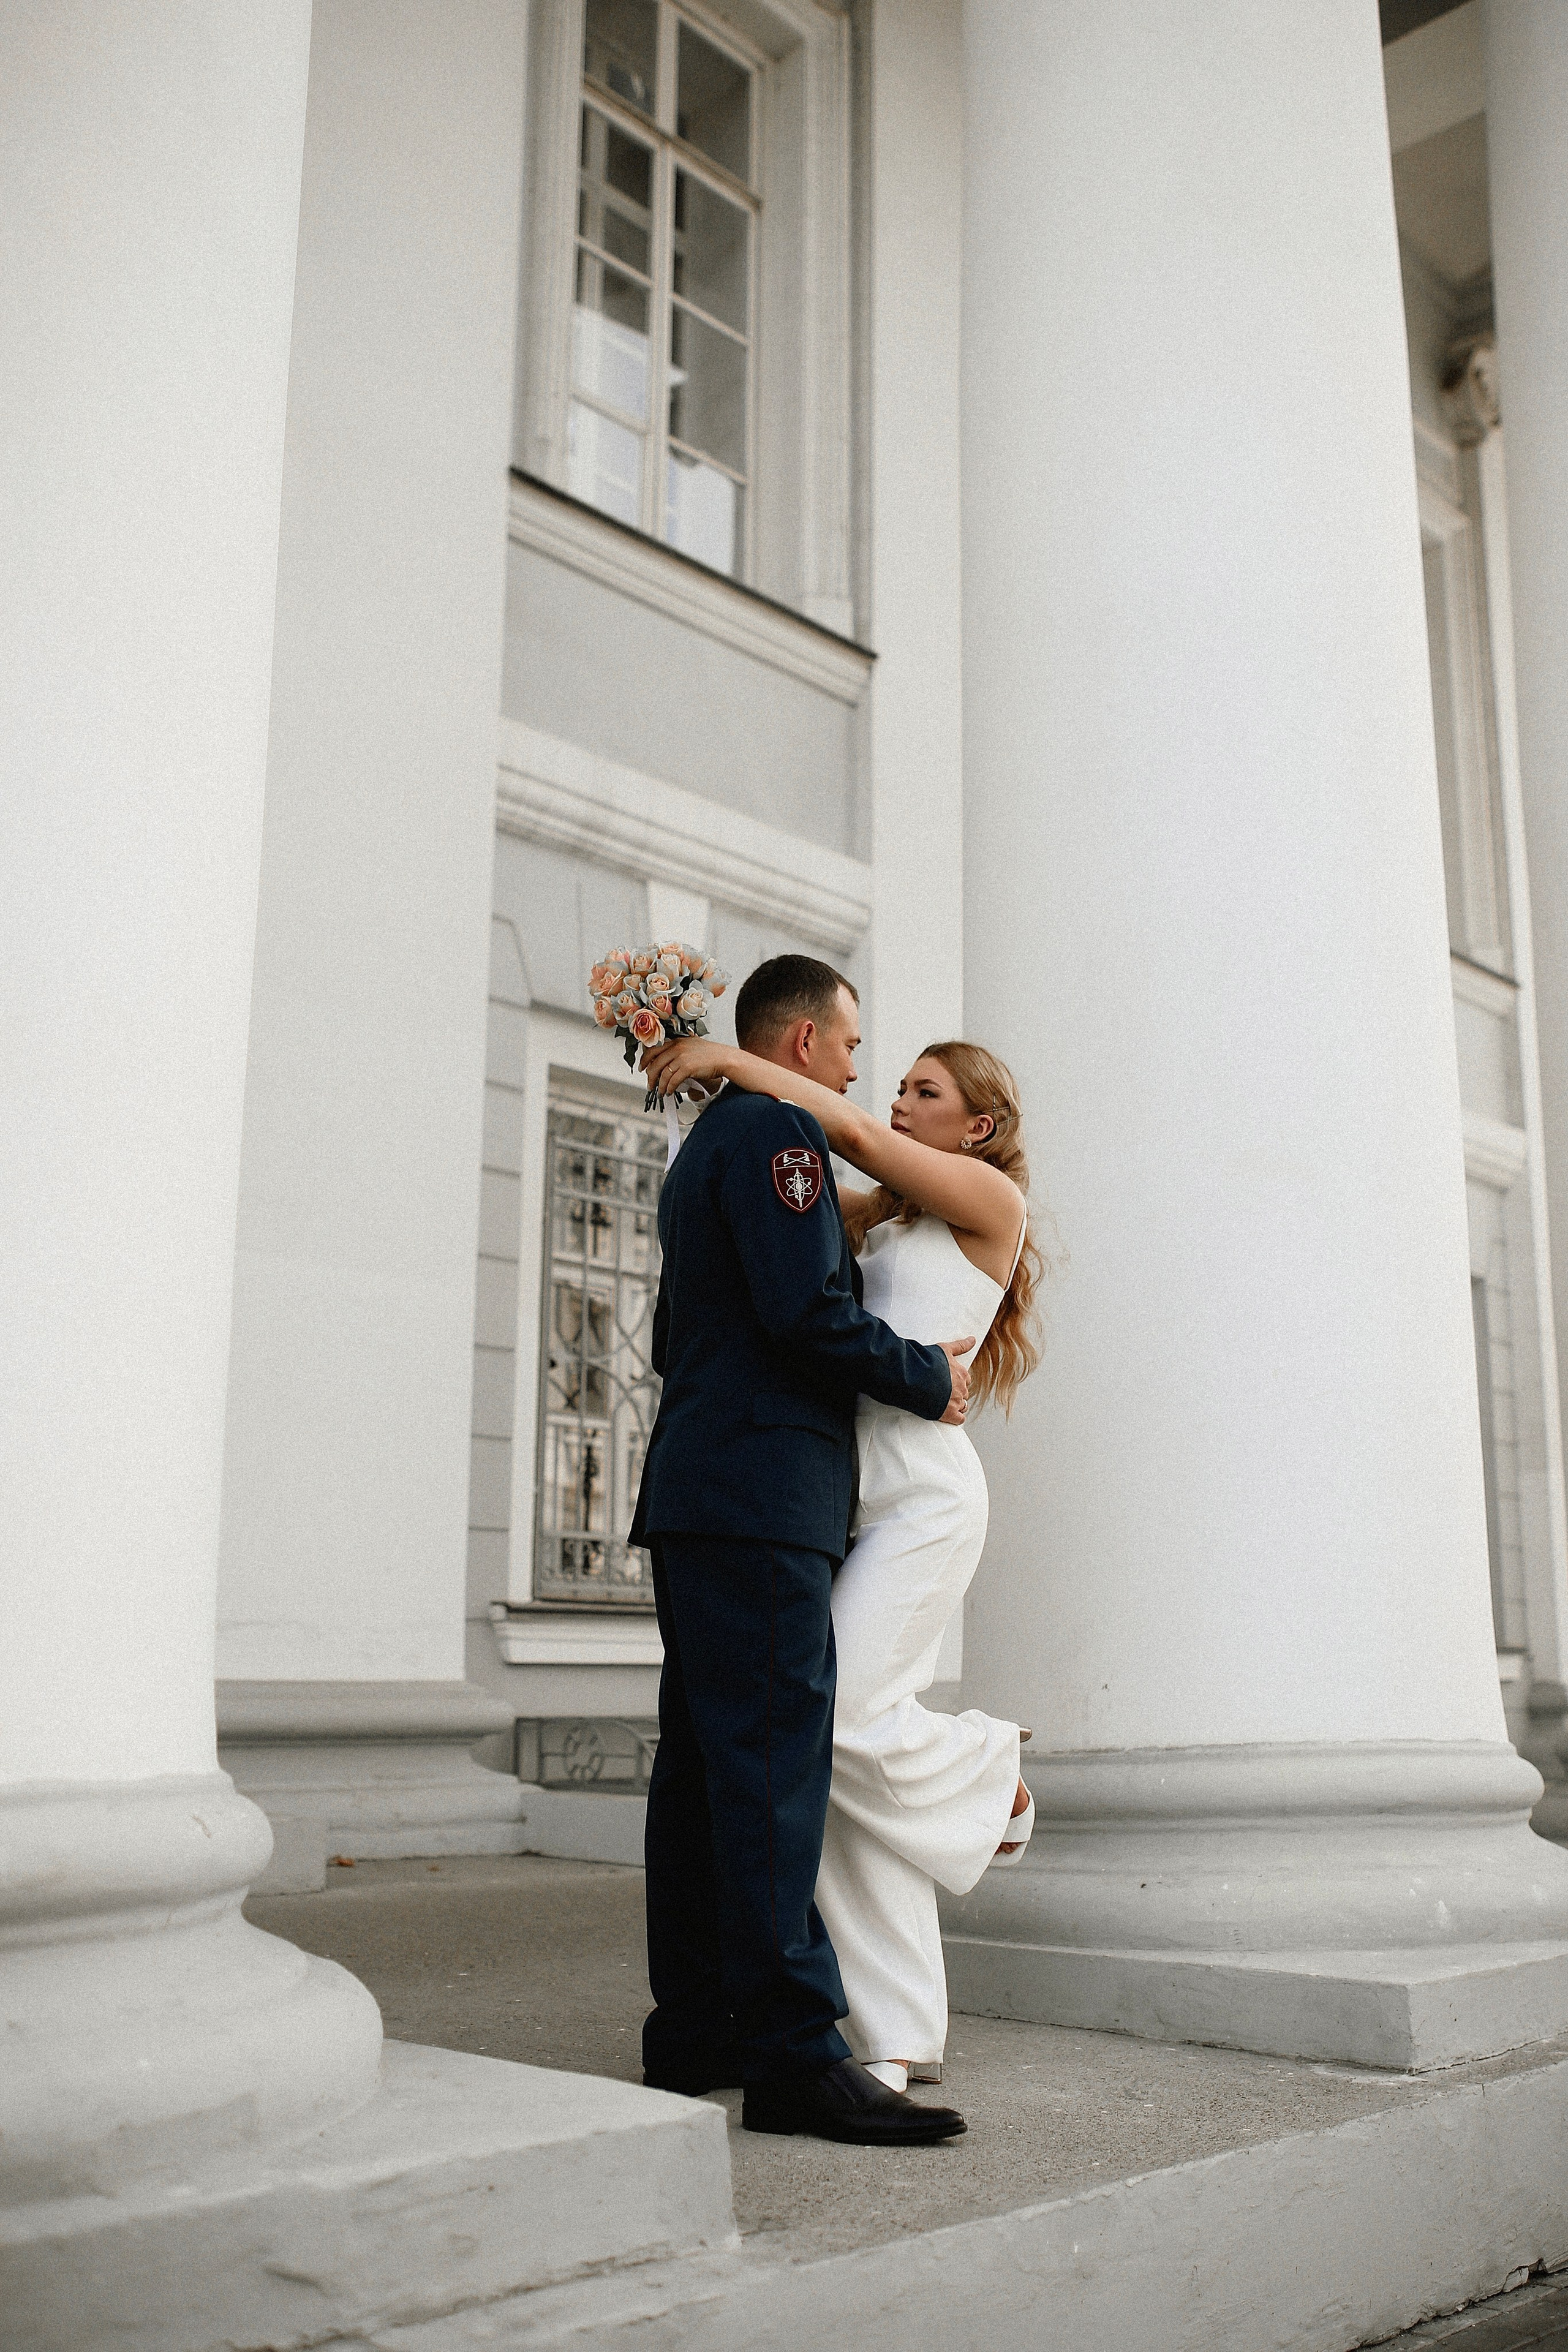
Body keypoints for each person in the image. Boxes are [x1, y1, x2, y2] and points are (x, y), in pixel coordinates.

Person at [641, 1022, 1044, 2096]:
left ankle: (989, 1775)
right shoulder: (887, 1217)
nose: (899, 1099)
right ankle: (899, 2030)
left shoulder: (988, 1206)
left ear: (980, 1124)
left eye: (925, 1089)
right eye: (897, 1081)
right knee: (825, 1768)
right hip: (853, 1506)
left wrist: (725, 1061)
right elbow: (796, 1200)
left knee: (840, 1727)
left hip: (926, 1506)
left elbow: (850, 1131)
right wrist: (718, 1129)